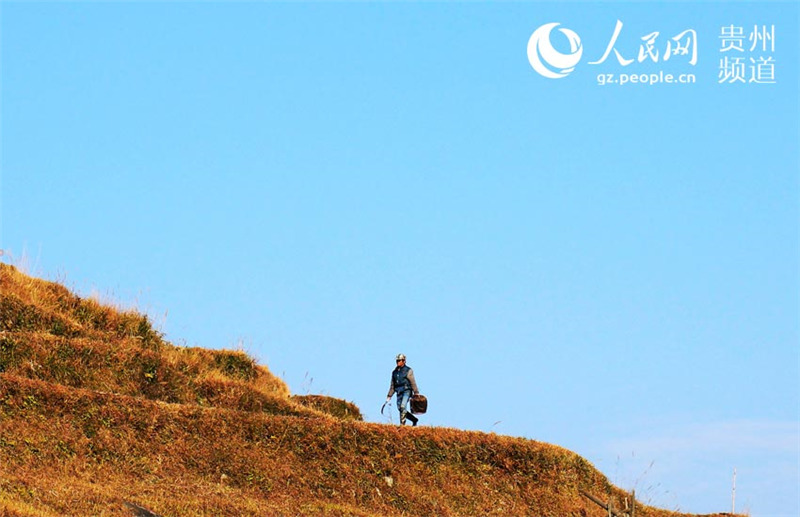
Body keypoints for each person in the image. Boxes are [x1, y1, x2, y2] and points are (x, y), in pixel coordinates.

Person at [385, 353, 419, 426]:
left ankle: (402, 425)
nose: (398, 362)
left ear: (404, 361)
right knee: (400, 409)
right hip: (398, 392)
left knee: (403, 406)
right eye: (397, 361)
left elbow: (413, 382)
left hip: (407, 391)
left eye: (399, 360)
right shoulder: (394, 372)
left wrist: (416, 392)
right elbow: (392, 385)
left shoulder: (408, 370)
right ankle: (414, 419)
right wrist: (389, 395)